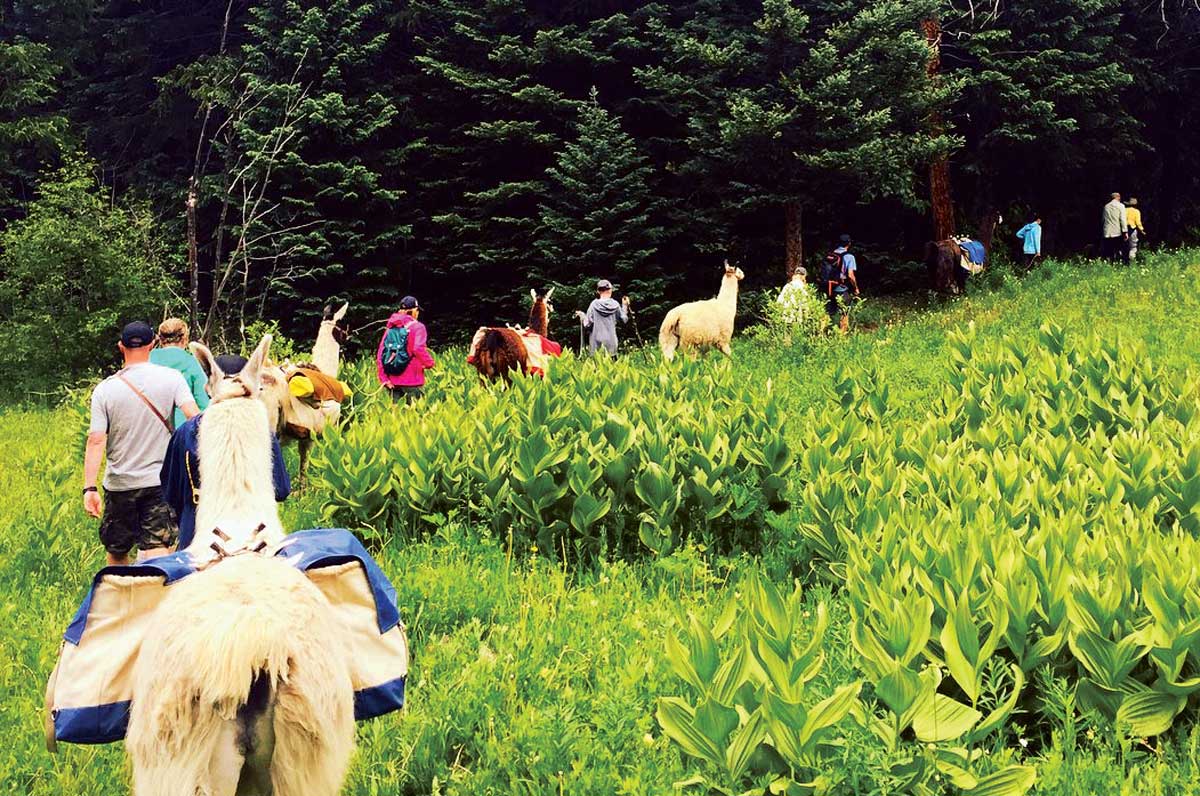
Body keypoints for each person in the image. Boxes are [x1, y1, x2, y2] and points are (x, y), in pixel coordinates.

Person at [83, 321, 201, 565]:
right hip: (158, 482)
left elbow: (96, 440)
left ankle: (120, 600)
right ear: (152, 344)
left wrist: (89, 488)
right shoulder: (172, 378)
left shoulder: (104, 389)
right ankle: (154, 600)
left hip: (118, 484)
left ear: (120, 347)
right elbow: (194, 418)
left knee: (117, 551)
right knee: (159, 549)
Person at [160, 353, 291, 551]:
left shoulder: (185, 433)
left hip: (199, 536)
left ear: (209, 387)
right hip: (257, 537)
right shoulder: (262, 432)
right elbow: (281, 490)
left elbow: (171, 492)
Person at [149, 317, 209, 428]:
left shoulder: (148, 358)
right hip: (181, 431)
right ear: (185, 338)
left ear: (161, 339)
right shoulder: (190, 362)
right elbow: (203, 402)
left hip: (150, 430)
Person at [376, 295, 435, 401]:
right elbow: (418, 348)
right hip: (412, 381)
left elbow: (381, 353)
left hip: (392, 381)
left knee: (396, 415)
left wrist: (384, 378)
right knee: (415, 415)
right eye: (417, 310)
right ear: (414, 311)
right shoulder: (418, 327)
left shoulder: (390, 328)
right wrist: (429, 363)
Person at [576, 279, 630, 356]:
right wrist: (624, 306)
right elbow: (624, 320)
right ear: (610, 290)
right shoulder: (615, 304)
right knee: (612, 366)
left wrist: (582, 316)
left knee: (598, 367)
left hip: (596, 345)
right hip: (611, 343)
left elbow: (588, 325)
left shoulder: (593, 305)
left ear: (598, 291)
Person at [821, 235, 859, 332]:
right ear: (849, 243)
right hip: (841, 289)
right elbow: (850, 275)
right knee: (844, 313)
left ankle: (820, 334)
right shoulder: (849, 257)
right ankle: (842, 337)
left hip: (828, 288)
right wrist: (855, 288)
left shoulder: (830, 255)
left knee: (827, 312)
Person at [1101, 192, 1128, 262]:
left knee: (1109, 250)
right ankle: (1118, 262)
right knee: (1118, 248)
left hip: (1107, 232)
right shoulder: (1121, 206)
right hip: (1117, 232)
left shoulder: (1106, 206)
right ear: (1118, 197)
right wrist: (1125, 231)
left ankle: (1110, 263)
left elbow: (1103, 220)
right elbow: (1122, 219)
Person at [1126, 197, 1146, 262]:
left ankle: (1122, 260)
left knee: (1124, 245)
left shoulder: (1124, 210)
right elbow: (1138, 222)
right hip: (1132, 229)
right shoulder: (1136, 211)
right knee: (1133, 246)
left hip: (1124, 230)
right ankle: (1131, 260)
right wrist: (1142, 230)